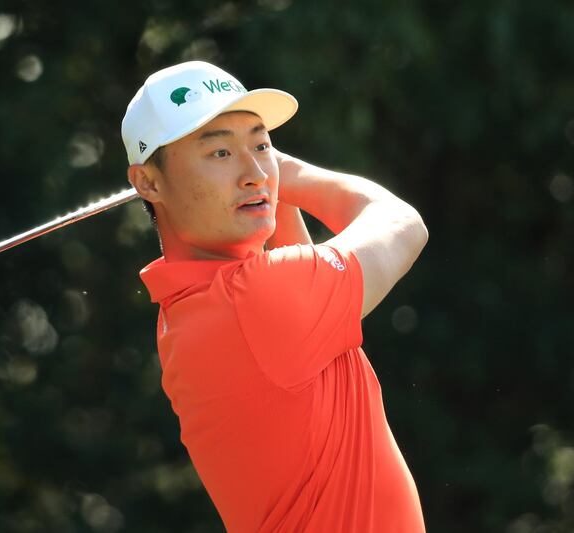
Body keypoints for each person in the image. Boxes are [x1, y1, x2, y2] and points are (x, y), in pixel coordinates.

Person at [121, 61, 428, 532]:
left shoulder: (195, 305)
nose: (254, 173)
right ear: (148, 182)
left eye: (261, 144)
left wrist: (262, 175)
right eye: (220, 152)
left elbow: (285, 255)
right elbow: (402, 224)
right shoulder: (254, 302)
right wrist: (289, 171)